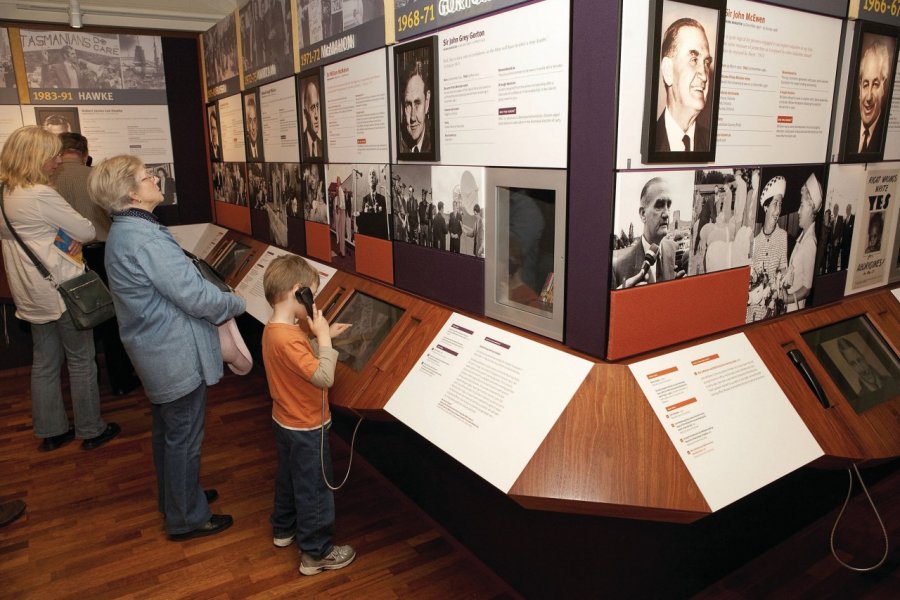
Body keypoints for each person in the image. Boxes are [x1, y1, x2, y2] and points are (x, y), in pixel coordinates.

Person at [88, 154, 246, 541]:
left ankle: (179, 497)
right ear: (130, 192)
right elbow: (194, 297)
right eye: (147, 177)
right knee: (183, 437)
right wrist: (238, 303)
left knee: (170, 431)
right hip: (171, 353)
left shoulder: (128, 230)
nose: (156, 179)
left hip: (156, 348)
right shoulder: (142, 238)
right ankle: (186, 517)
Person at [0, 126, 120, 452]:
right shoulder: (39, 194)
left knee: (45, 363)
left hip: (31, 294)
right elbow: (86, 229)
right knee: (81, 360)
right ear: (36, 158)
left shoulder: (4, 194)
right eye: (52, 155)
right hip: (63, 290)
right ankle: (91, 429)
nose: (56, 161)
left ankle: (52, 431)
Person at [261, 254, 356, 576]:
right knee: (315, 488)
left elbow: (297, 359)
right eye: (311, 294)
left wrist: (319, 339)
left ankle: (283, 529)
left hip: (284, 420)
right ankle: (316, 553)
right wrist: (326, 339)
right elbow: (323, 377)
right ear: (298, 292)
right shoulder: (288, 337)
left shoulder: (276, 329)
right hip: (307, 426)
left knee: (289, 477)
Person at [51, 132, 138, 396]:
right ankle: (121, 380)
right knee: (112, 320)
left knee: (76, 321)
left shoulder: (46, 181)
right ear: (84, 153)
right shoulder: (96, 177)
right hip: (102, 254)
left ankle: (87, 385)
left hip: (63, 258)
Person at [612, 177, 682, 288]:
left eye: (668, 205)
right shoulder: (619, 268)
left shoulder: (674, 249)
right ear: (643, 214)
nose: (666, 214)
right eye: (659, 205)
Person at [655, 18, 712, 153]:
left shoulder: (711, 143)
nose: (704, 76)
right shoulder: (643, 142)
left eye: (706, 63)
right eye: (694, 60)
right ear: (668, 70)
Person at [747, 176, 789, 321]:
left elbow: (783, 272)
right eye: (775, 204)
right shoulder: (755, 241)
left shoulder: (783, 237)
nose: (778, 211)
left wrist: (777, 289)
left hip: (772, 313)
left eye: (780, 204)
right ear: (766, 207)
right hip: (752, 313)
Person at [783, 173, 822, 312]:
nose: (798, 211)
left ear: (811, 208)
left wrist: (788, 298)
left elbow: (807, 288)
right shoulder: (803, 237)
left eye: (802, 206)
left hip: (794, 308)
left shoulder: (810, 242)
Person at [847, 40, 892, 155]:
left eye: (875, 84)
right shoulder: (847, 128)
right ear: (860, 87)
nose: (868, 97)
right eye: (866, 85)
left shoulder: (885, 135)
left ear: (884, 86)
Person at [399, 61, 433, 155]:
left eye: (417, 103)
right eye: (408, 104)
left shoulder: (435, 140)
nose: (413, 118)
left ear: (427, 102)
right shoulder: (398, 142)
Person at [359, 168, 387, 238]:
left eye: (373, 174)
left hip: (379, 235)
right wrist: (365, 212)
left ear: (377, 181)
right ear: (368, 181)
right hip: (369, 235)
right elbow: (363, 222)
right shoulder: (365, 199)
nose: (371, 176)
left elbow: (385, 221)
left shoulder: (382, 199)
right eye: (370, 174)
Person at [301, 79, 323, 159]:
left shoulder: (322, 145)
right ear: (305, 114)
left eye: (317, 106)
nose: (316, 115)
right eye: (312, 107)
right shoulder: (301, 144)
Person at [245, 94, 263, 161]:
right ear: (247, 125)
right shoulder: (246, 149)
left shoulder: (261, 145)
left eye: (255, 120)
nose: (253, 127)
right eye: (250, 121)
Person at [333, 176, 348, 256]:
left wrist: (338, 207)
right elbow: (338, 202)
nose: (337, 182)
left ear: (340, 182)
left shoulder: (341, 191)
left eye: (338, 181)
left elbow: (342, 204)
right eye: (336, 181)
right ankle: (341, 250)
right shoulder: (338, 191)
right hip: (339, 212)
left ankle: (343, 253)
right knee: (339, 231)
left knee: (342, 233)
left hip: (342, 212)